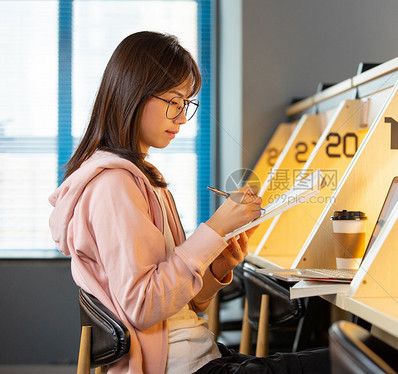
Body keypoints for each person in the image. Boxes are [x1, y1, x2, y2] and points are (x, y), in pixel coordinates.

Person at [49, 31, 330, 374]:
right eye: (174, 101)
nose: (182, 117)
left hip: (202, 356)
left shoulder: (146, 178)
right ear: (133, 94)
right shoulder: (113, 185)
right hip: (183, 367)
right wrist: (213, 230)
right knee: (353, 360)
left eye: (187, 104)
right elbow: (143, 305)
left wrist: (217, 266)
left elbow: (187, 303)